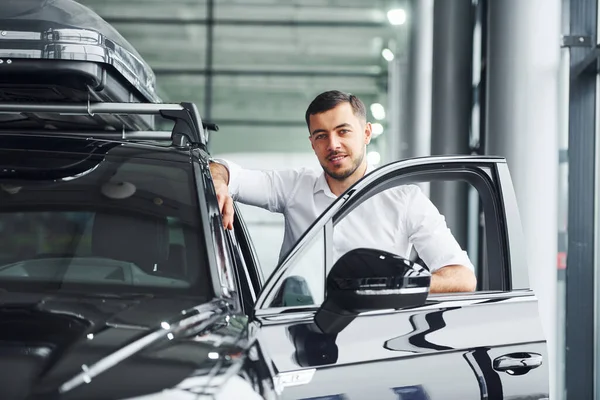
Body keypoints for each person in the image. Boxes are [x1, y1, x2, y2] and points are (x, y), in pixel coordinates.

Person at [210, 90, 477, 293]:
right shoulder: (294, 187)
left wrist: (393, 286)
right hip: (294, 331)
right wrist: (220, 183)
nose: (333, 144)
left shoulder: (405, 200)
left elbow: (462, 277)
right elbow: (223, 170)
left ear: (366, 133)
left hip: (372, 340)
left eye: (343, 131)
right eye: (321, 136)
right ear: (312, 144)